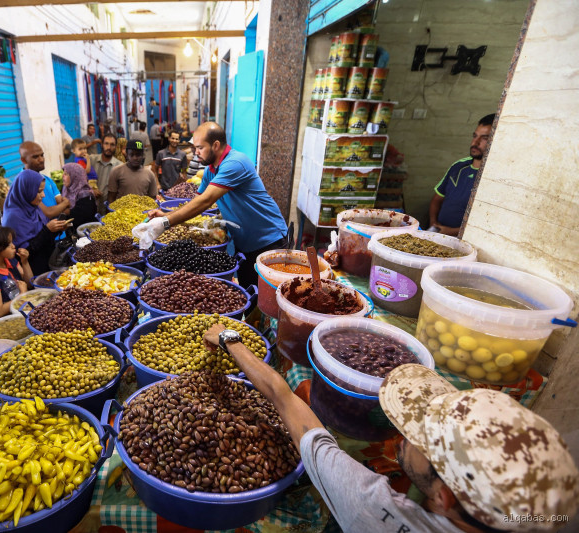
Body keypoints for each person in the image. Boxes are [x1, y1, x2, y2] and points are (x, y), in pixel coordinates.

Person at [201, 323, 579, 533]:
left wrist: (230, 338)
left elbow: (284, 400)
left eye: (417, 437)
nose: (403, 432)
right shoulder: (541, 517)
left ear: (443, 500)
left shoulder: (375, 511)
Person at [139, 122, 288, 288]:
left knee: (267, 300)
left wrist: (166, 223)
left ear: (215, 145)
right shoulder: (210, 170)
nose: (195, 153)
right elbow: (196, 201)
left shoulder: (235, 164)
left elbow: (205, 202)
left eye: (200, 148)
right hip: (245, 242)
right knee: (249, 293)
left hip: (269, 240)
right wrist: (165, 215)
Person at [429, 114, 495, 236]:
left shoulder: (494, 177)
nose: (475, 142)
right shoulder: (458, 166)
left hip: (466, 242)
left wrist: (454, 232)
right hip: (439, 234)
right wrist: (434, 224)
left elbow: (490, 224)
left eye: (484, 138)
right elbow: (436, 200)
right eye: (475, 136)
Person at [1, 170, 69, 276]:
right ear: (26, 190)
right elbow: (23, 253)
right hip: (34, 271)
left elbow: (43, 236)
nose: (43, 195)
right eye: (39, 191)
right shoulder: (14, 217)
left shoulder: (33, 207)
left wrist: (57, 228)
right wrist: (47, 230)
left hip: (47, 263)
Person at [18, 141, 71, 219]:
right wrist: (65, 203)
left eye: (42, 155)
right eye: (35, 157)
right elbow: (48, 213)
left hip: (58, 229)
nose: (41, 160)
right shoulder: (23, 182)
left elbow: (66, 210)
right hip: (43, 230)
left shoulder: (47, 179)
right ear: (24, 160)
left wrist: (62, 206)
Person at [89, 133, 124, 214]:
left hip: (109, 210)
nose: (109, 147)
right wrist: (90, 190)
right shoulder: (91, 160)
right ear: (101, 145)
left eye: (112, 145)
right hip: (90, 205)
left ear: (115, 147)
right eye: (106, 144)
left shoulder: (119, 166)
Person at [61, 162, 98, 228]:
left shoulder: (85, 195)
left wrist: (60, 210)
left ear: (75, 176)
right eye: (63, 173)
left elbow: (79, 218)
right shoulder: (66, 190)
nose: (62, 176)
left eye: (66, 174)